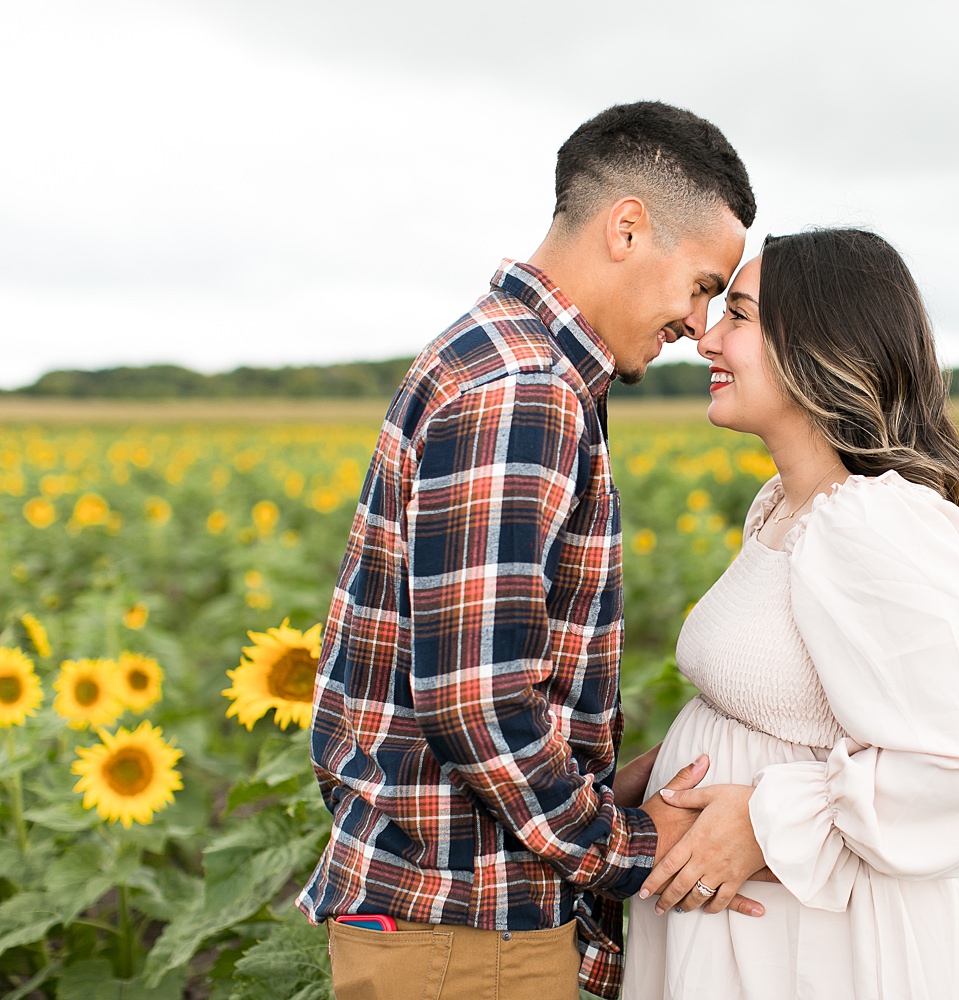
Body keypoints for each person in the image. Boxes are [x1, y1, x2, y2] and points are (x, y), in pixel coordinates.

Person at [296, 101, 763, 1000]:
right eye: (704, 284)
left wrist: (613, 785)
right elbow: (474, 699)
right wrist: (634, 846)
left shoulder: (499, 359)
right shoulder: (526, 388)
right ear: (627, 228)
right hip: (463, 935)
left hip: (445, 919)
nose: (699, 327)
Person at [622, 229, 959, 999]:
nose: (706, 337)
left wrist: (767, 820)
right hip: (789, 929)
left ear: (819, 345)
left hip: (856, 945)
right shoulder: (783, 508)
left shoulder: (877, 522)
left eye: (739, 316)